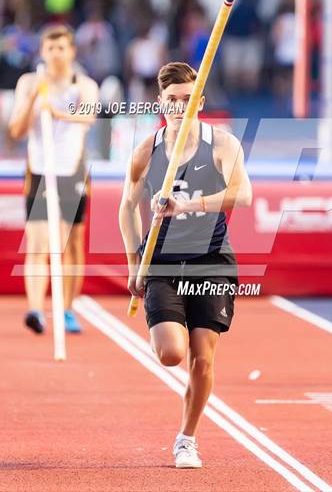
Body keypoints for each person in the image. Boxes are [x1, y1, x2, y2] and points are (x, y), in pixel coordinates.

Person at [119, 62, 252, 468]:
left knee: (203, 357)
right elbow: (127, 206)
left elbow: (242, 195)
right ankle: (164, 320)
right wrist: (133, 263)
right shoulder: (147, 150)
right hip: (161, 262)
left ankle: (187, 438)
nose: (180, 107)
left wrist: (186, 205)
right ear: (160, 102)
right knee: (171, 354)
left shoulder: (223, 145)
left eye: (187, 100)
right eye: (172, 100)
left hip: (211, 261)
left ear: (200, 102)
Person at [9, 24, 99, 335]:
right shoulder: (29, 82)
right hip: (39, 171)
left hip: (72, 171)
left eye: (62, 48)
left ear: (71, 51)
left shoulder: (82, 84)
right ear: (42, 52)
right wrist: (35, 97)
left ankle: (67, 309)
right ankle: (35, 310)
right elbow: (16, 130)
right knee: (38, 243)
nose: (56, 54)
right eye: (50, 48)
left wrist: (57, 113)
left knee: (71, 244)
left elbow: (89, 116)